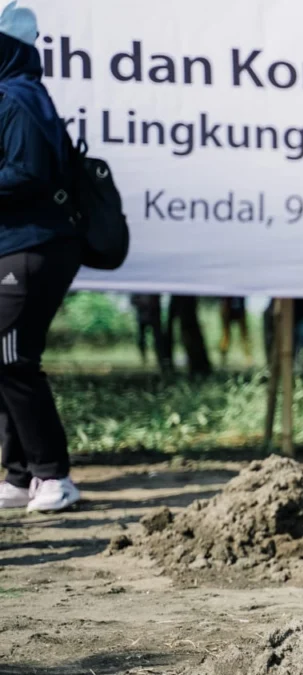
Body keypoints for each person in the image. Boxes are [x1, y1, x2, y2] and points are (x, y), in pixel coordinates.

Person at [0, 2, 85, 512]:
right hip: (23, 245)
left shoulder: (19, 97)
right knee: (9, 357)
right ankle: (19, 475)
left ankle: (54, 477)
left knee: (9, 357)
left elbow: (29, 173)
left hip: (34, 245)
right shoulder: (17, 95)